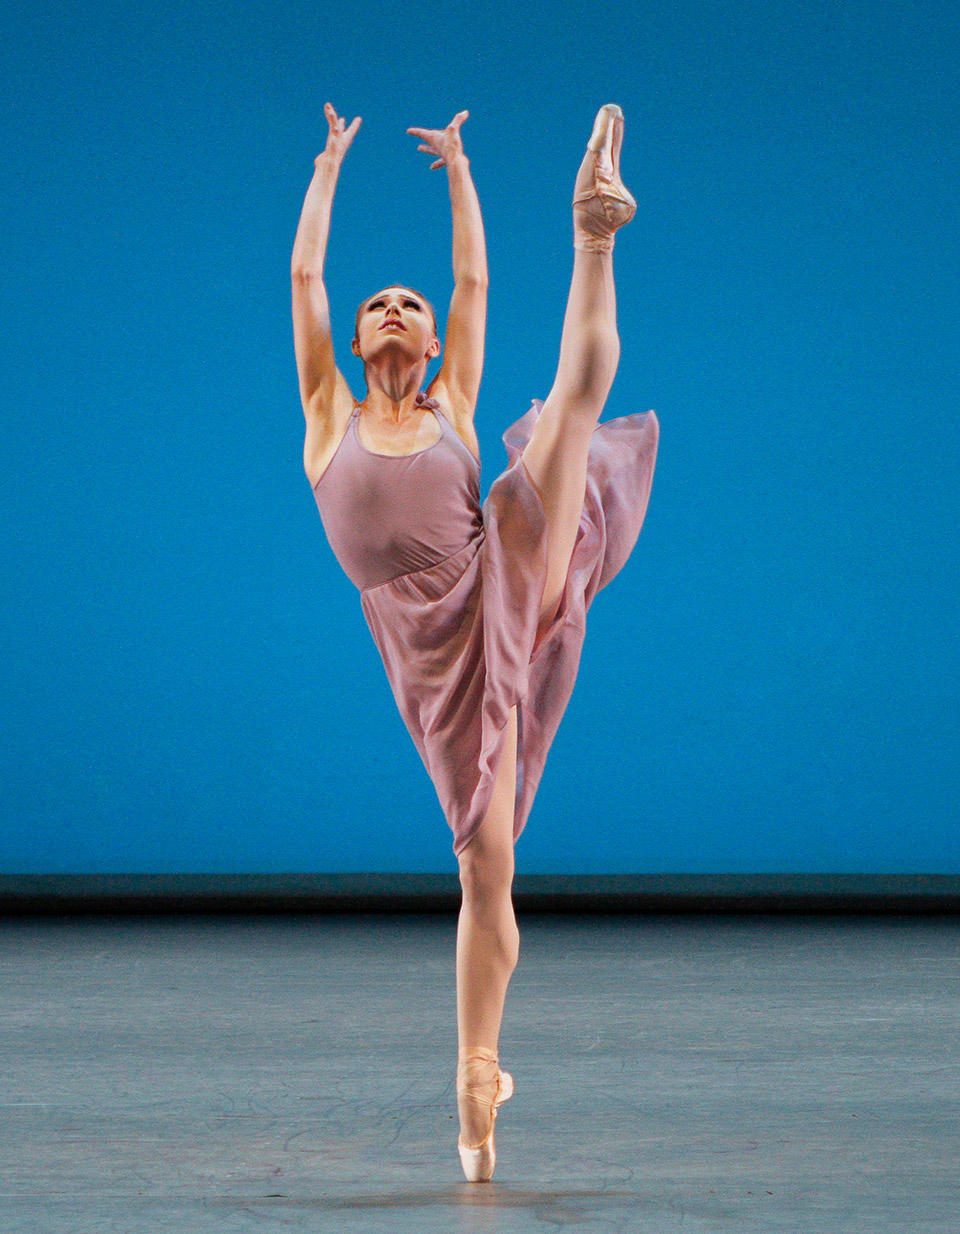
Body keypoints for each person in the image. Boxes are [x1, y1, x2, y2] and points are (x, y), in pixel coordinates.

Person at [291, 101, 659, 1181]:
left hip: (500, 557)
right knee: (486, 866)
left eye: (412, 303)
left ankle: (595, 228)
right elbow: (308, 282)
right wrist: (326, 170)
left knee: (575, 407)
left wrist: (460, 172)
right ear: (357, 344)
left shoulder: (454, 404)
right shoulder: (327, 416)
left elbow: (476, 286)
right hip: (434, 654)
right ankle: (476, 1077)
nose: (399, 309)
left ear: (433, 340)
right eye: (381, 306)